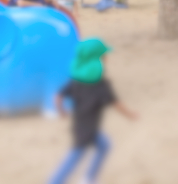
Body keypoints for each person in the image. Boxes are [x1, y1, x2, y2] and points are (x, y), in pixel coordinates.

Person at [49, 38, 137, 184]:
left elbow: (57, 97)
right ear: (98, 60)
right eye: (104, 56)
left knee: (104, 145)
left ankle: (89, 178)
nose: (106, 59)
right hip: (88, 130)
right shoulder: (101, 85)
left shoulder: (75, 81)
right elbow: (116, 104)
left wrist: (61, 112)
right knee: (75, 155)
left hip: (81, 126)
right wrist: (131, 114)